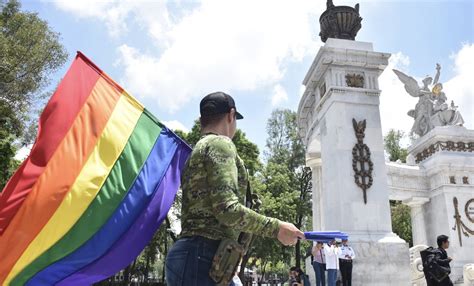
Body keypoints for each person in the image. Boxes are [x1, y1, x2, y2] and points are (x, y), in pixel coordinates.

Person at [165, 92, 305, 286]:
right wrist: (277, 228)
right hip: (204, 257)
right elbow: (226, 208)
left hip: (198, 257)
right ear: (231, 115)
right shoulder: (220, 143)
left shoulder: (196, 150)